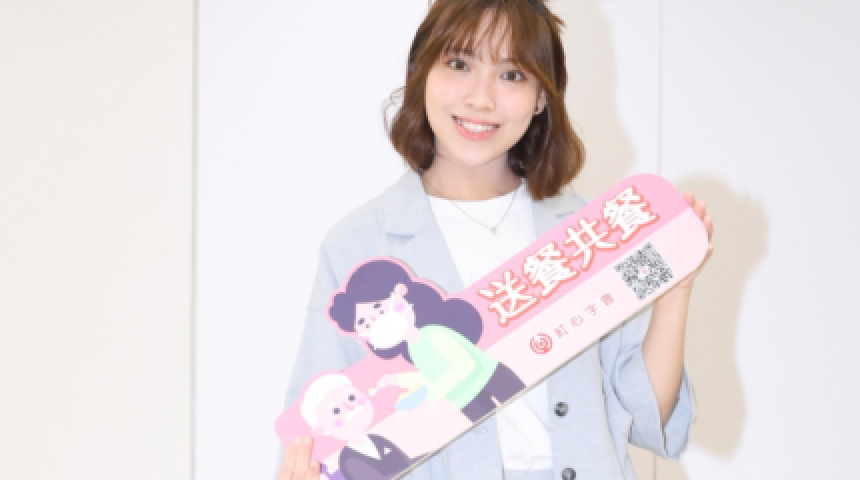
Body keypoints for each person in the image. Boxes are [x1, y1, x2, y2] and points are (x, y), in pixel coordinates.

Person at [277, 1, 714, 479]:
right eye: (459, 64)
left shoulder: (589, 233)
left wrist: (675, 292)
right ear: (422, 73)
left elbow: (649, 419)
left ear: (541, 97)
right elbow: (317, 434)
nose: (481, 99)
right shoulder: (361, 243)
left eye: (511, 75)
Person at [328, 259, 526, 423]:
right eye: (363, 323)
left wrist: (430, 392)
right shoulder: (413, 348)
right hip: (465, 399)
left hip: (491, 380)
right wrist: (395, 380)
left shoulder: (433, 334)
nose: (376, 322)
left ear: (400, 296)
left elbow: (465, 365)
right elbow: (433, 374)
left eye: (379, 309)